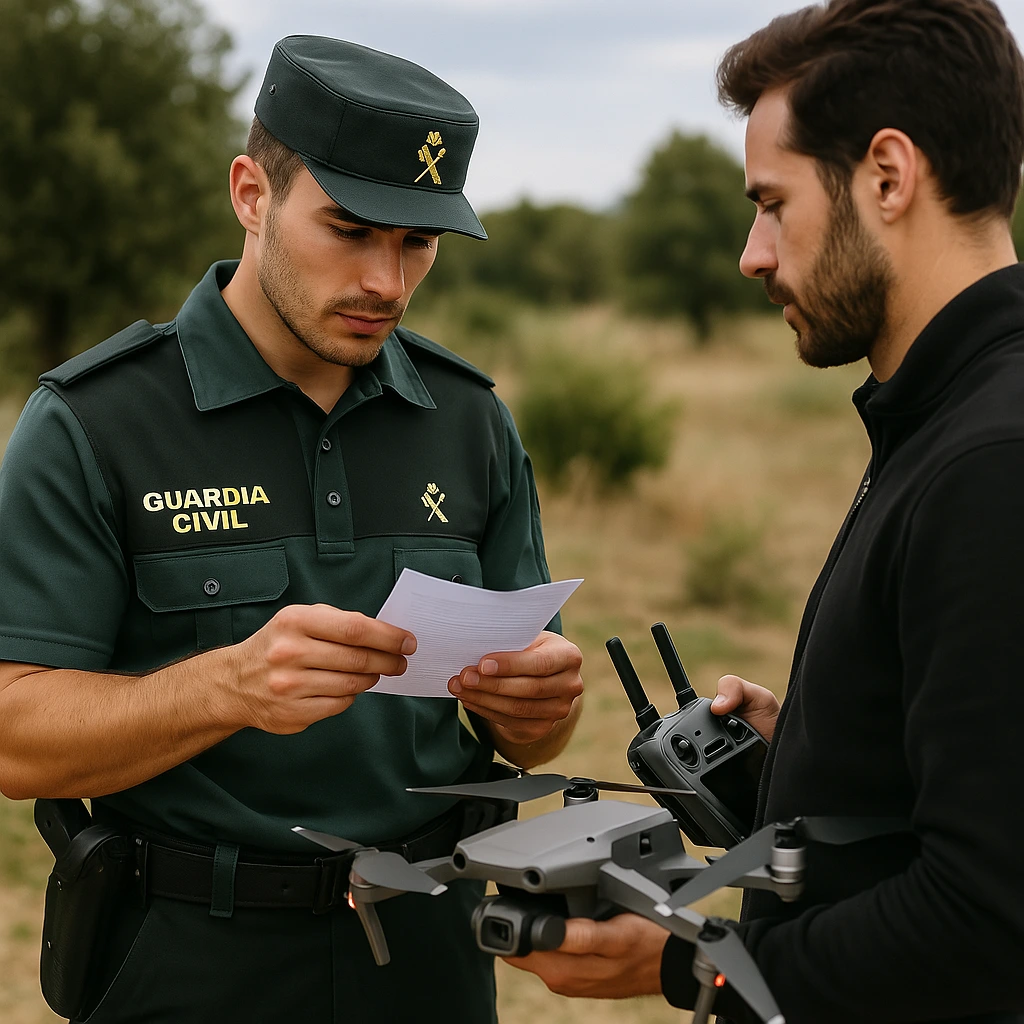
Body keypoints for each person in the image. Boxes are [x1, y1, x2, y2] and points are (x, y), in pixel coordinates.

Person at [0, 35, 583, 1024]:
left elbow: (525, 733)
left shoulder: (468, 416)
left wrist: (538, 711)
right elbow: (15, 738)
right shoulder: (95, 421)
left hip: (428, 956)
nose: (386, 283)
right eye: (350, 229)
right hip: (188, 959)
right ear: (250, 194)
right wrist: (227, 687)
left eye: (417, 242)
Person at [504, 1, 1024, 1022]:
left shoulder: (990, 460)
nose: (751, 253)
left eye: (772, 203)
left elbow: (988, 918)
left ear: (887, 175)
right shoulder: (944, 420)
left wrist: (690, 957)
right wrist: (824, 761)